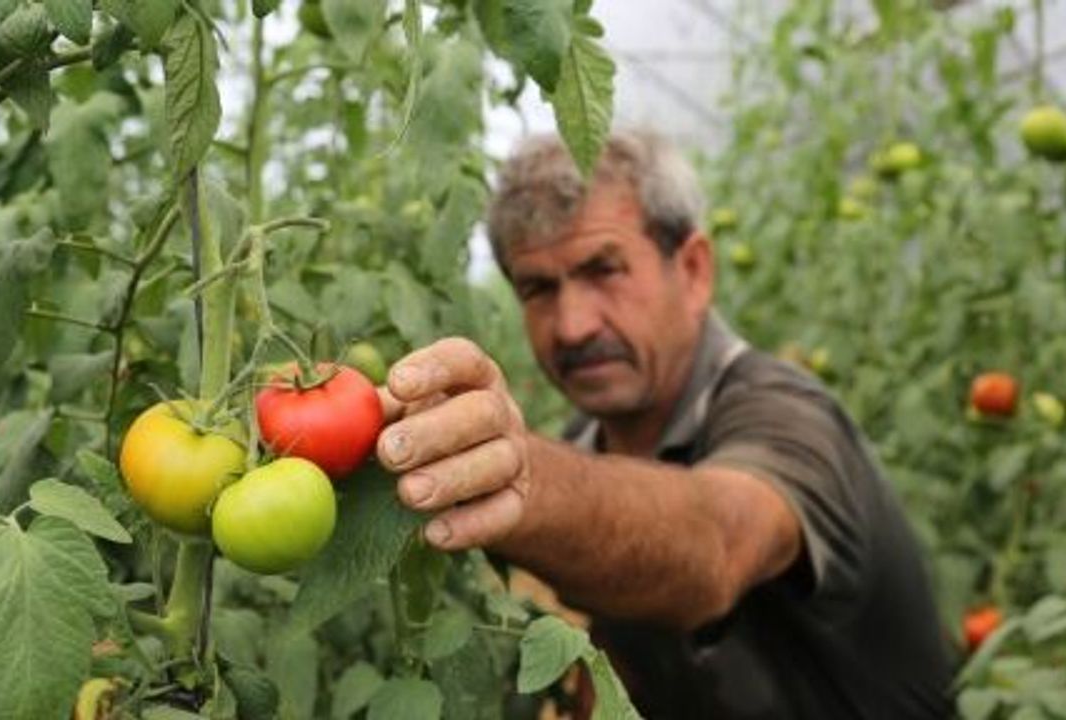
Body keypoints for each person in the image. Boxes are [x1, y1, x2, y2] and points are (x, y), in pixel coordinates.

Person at [373, 129, 955, 718]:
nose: (573, 325)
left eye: (604, 270)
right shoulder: (585, 444)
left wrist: (516, 473)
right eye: (539, 288)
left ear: (695, 270)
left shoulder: (789, 417)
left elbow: (716, 546)